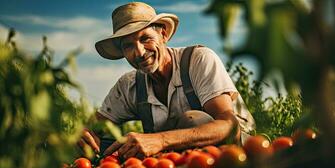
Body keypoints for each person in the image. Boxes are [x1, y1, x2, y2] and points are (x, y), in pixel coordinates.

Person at [79, 2, 255, 159]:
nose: (139, 52)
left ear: (162, 34)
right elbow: (95, 127)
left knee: (193, 120)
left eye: (145, 38)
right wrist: (85, 136)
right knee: (99, 145)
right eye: (128, 45)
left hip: (238, 152)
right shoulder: (128, 85)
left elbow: (228, 125)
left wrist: (159, 140)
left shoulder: (198, 60)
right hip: (185, 161)